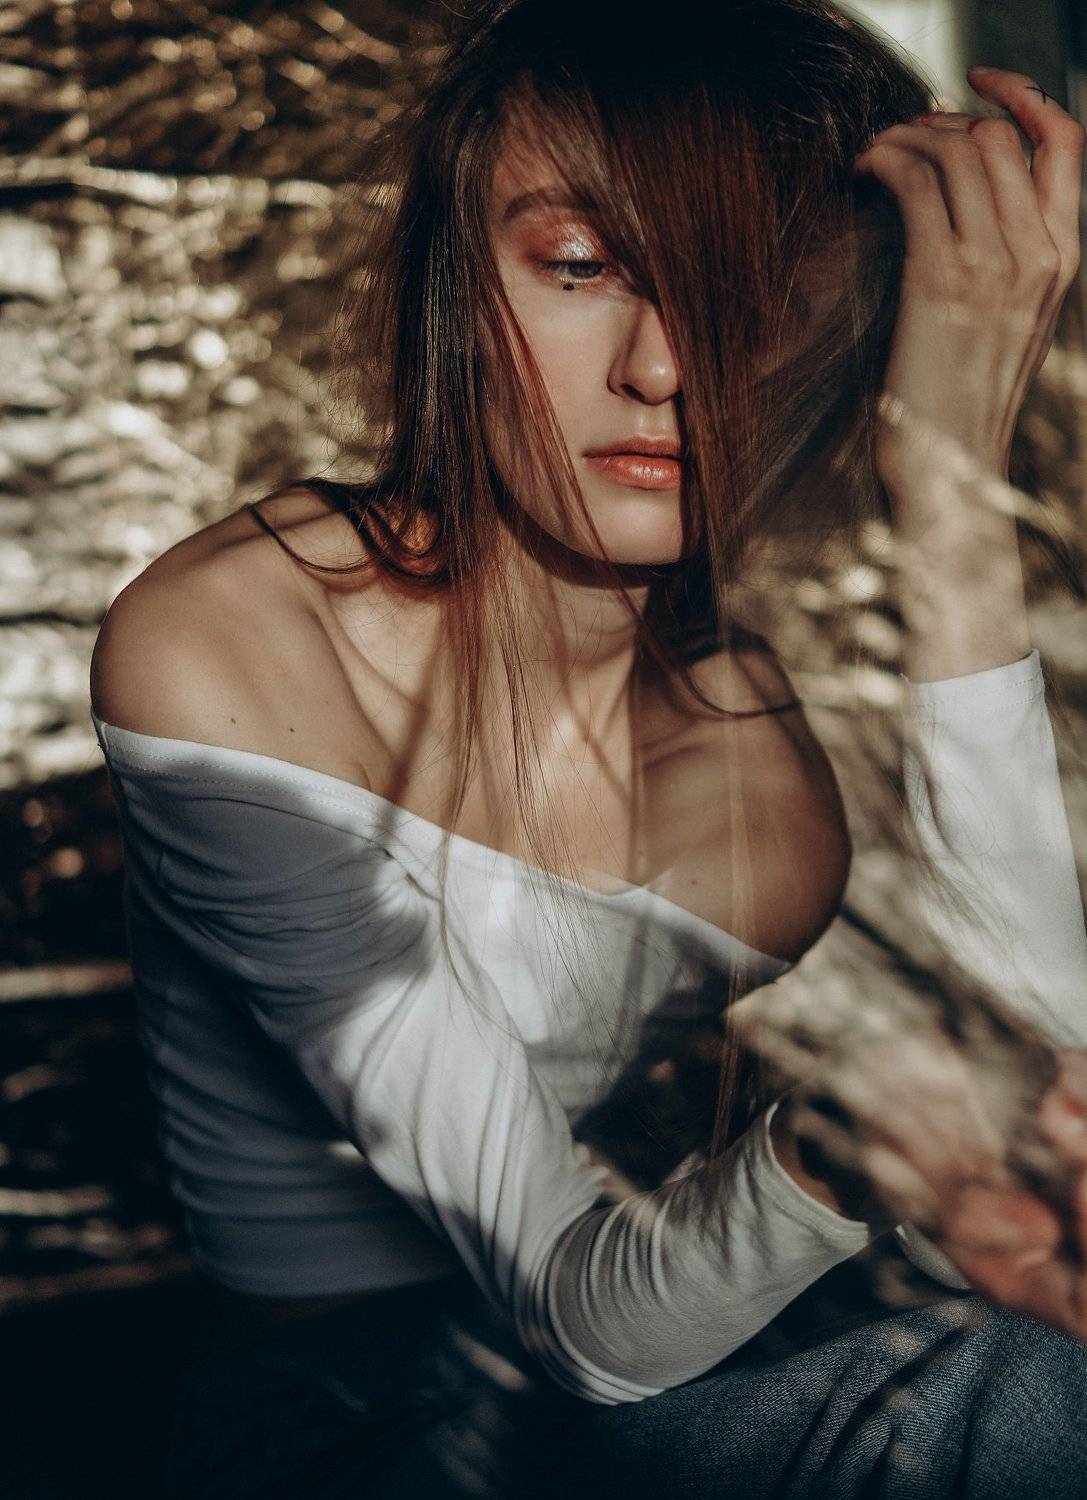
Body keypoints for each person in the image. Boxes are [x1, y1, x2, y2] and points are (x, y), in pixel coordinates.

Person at [87, 0, 1087, 1494]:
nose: (663, 367)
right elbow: (577, 1318)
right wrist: (846, 1143)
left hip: (659, 1354)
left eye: (751, 292)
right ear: (459, 282)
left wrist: (948, 480)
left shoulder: (765, 783)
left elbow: (1044, 1136)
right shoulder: (233, 647)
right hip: (335, 1411)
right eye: (578, 266)